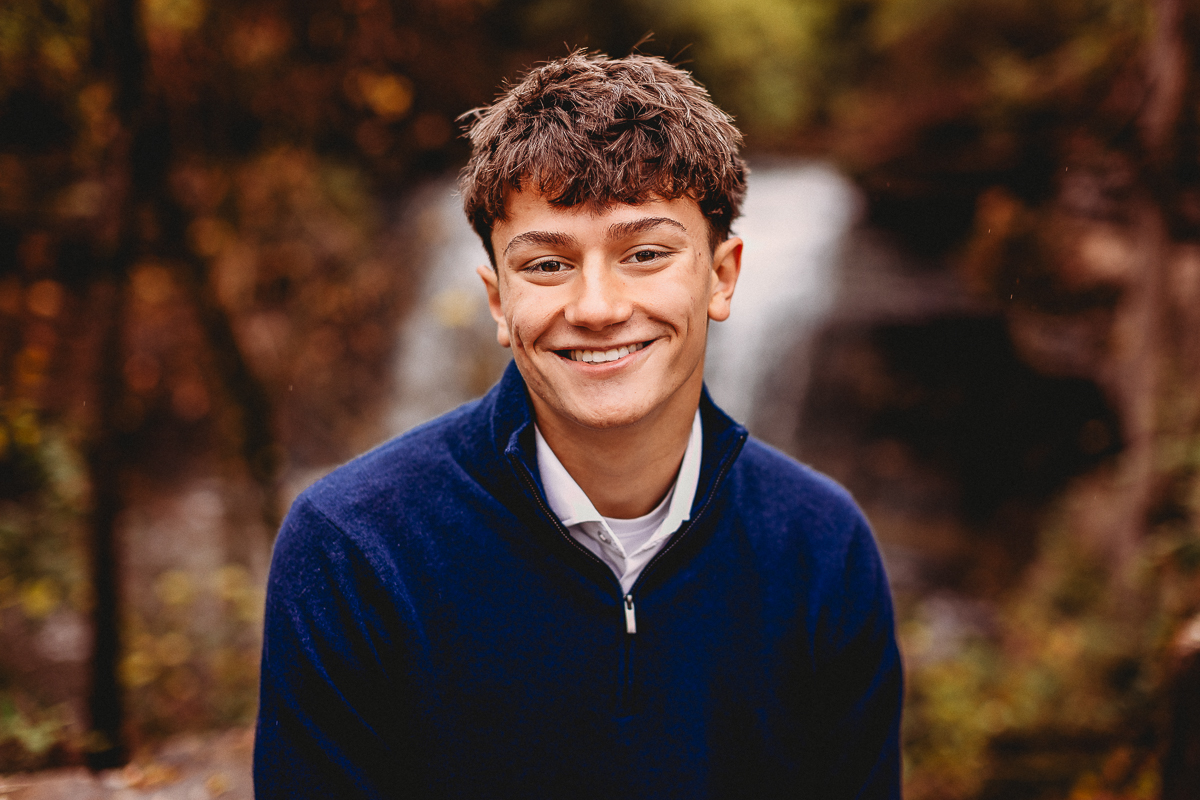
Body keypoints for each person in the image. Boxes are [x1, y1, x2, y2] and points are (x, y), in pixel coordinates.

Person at [254, 51, 902, 798]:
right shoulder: (352, 550)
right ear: (497, 302)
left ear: (722, 276)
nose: (597, 307)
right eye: (548, 266)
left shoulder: (821, 547)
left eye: (646, 253)